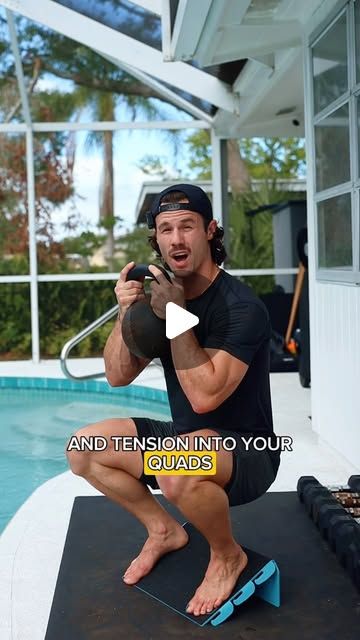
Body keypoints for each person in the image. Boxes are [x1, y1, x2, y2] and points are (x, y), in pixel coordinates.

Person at [66, 183, 280, 617]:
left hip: (249, 451)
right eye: (166, 229)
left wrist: (177, 316)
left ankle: (227, 555)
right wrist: (129, 312)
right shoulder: (162, 298)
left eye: (187, 226)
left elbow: (205, 397)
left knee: (173, 463)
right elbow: (117, 375)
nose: (176, 239)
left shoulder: (241, 306)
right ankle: (163, 530)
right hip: (186, 441)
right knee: (83, 450)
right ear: (157, 239)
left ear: (210, 232)